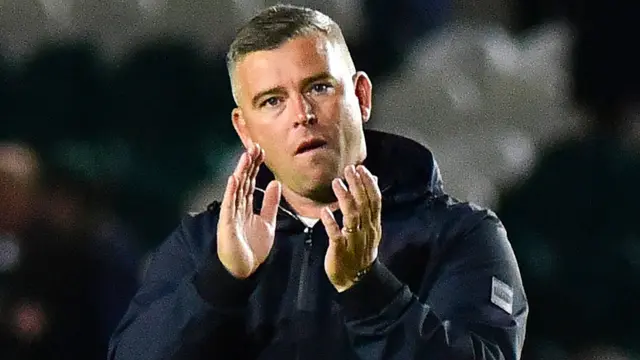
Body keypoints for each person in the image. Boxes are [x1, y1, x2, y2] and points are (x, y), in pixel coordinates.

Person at [108, 4, 528, 359]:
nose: (301, 114)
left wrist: (368, 290)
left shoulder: (462, 236)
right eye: (273, 100)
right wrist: (221, 282)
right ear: (245, 130)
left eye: (319, 87)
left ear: (361, 97)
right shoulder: (205, 244)